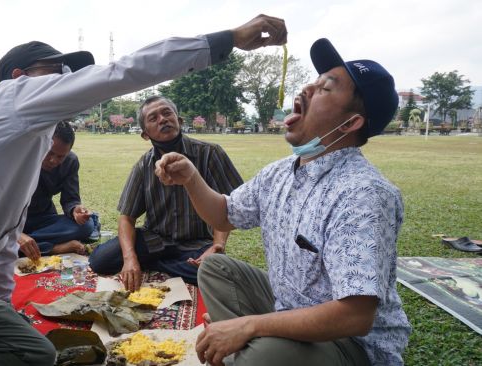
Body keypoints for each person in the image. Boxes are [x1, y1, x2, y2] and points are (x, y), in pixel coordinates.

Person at [0, 14, 288, 365]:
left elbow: (3, 242)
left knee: (33, 353)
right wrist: (227, 40)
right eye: (57, 70)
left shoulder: (27, 152)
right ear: (18, 78)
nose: (68, 79)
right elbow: (121, 72)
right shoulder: (10, 100)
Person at [154, 38, 411, 366]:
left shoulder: (363, 194)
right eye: (314, 81)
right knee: (217, 269)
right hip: (289, 309)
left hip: (351, 344)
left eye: (326, 88)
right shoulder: (279, 173)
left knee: (262, 356)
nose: (307, 88)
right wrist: (191, 178)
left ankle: (247, 350)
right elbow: (223, 216)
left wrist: (249, 324)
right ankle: (247, 348)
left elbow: (355, 316)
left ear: (350, 123)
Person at [88, 96, 244, 291]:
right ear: (145, 134)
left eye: (167, 113)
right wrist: (129, 258)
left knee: (218, 272)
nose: (162, 119)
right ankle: (171, 267)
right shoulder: (144, 165)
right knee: (99, 260)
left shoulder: (210, 154)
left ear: (179, 121)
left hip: (196, 243)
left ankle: (157, 266)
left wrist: (217, 246)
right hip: (155, 241)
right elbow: (127, 217)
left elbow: (230, 205)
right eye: (153, 118)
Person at [17, 120, 95, 260]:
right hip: (13, 221)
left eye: (61, 156)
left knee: (88, 225)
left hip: (44, 219)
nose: (53, 160)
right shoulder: (21, 159)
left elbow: (70, 199)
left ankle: (16, 246)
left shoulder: (70, 161)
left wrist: (75, 210)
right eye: (49, 153)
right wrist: (16, 234)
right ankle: (53, 248)